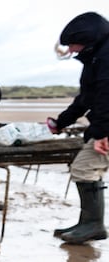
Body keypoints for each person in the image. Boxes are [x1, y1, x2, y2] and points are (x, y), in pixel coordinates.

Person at [47, 12, 109, 245]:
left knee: (84, 167)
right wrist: (61, 122)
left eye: (72, 45)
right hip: (103, 122)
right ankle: (88, 223)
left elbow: (106, 94)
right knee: (89, 168)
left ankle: (93, 225)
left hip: (106, 124)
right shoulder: (95, 58)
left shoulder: (104, 57)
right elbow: (86, 98)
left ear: (87, 38)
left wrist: (102, 133)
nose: (70, 50)